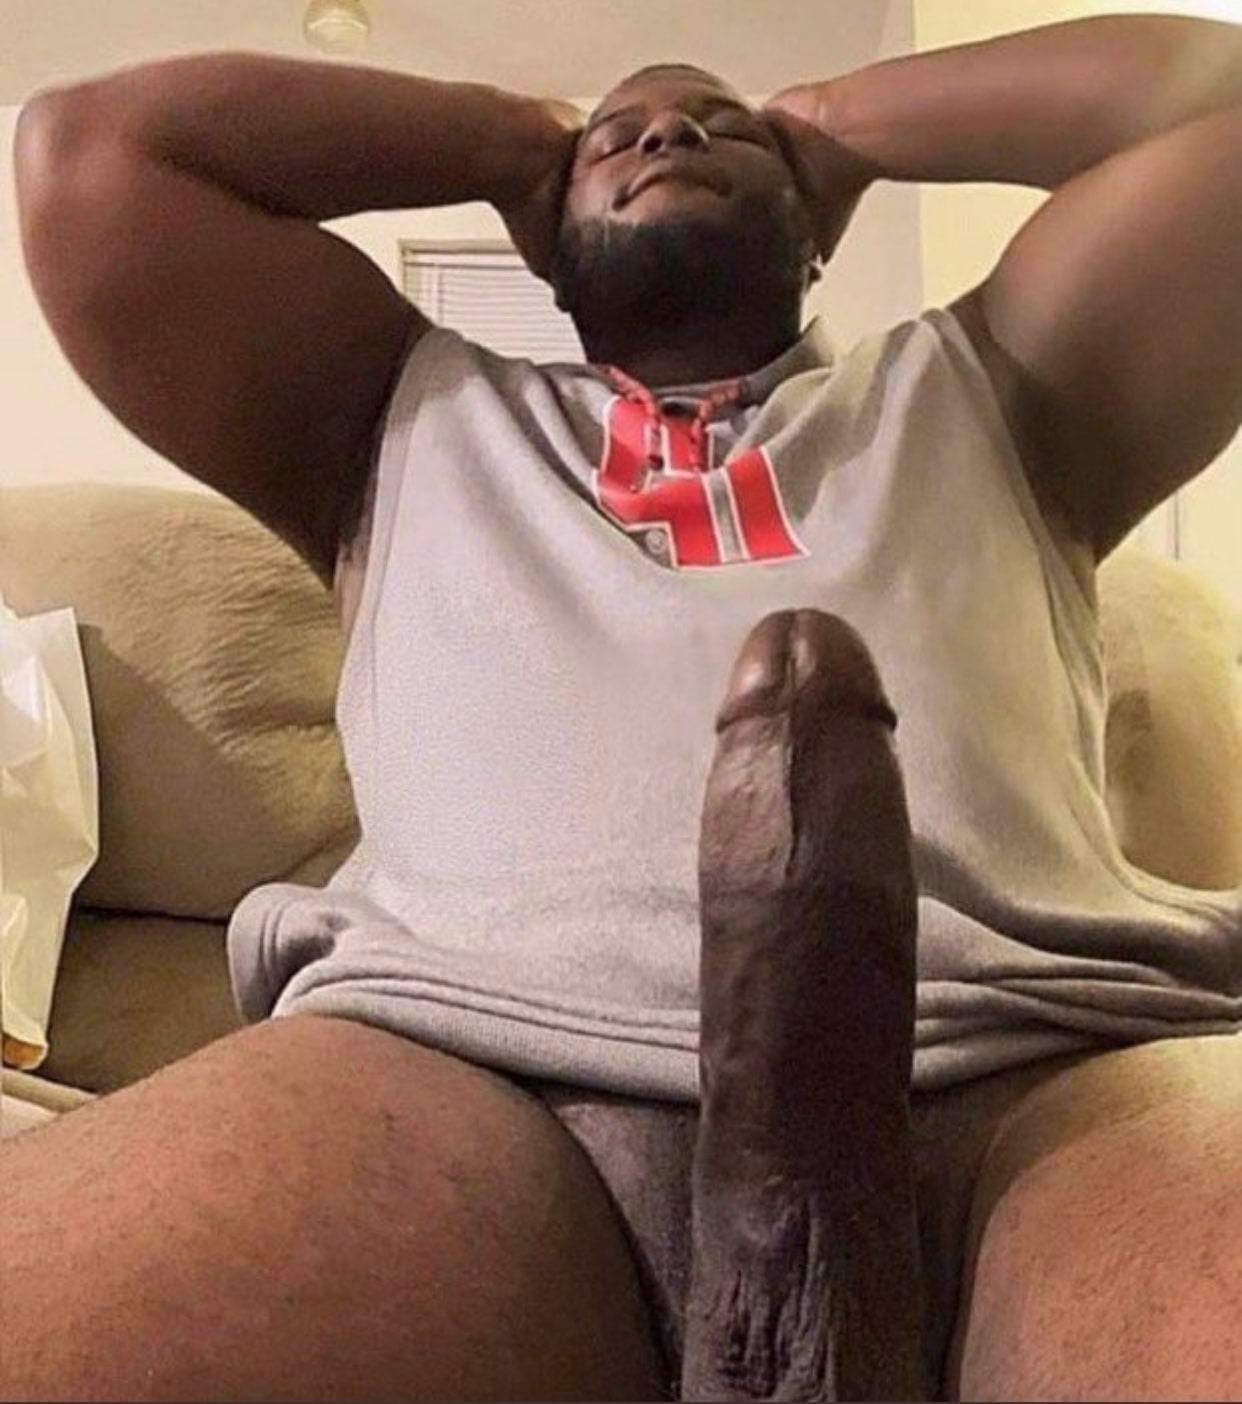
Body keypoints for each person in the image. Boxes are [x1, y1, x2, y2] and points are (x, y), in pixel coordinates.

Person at [7, 12, 1242, 1401]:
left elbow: (1218, 109)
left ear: (815, 227)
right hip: (465, 1071)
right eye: (619, 135)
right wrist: (508, 141)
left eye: (725, 127)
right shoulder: (389, 415)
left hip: (1027, 1064)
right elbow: (93, 155)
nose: (666, 130)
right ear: (546, 244)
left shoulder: (1003, 387)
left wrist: (832, 120)